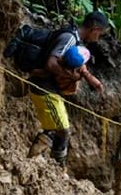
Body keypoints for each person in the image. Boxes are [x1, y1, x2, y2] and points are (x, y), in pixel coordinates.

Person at [25, 11, 108, 164]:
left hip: (49, 88)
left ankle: (41, 164)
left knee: (55, 130)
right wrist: (72, 77)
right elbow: (51, 63)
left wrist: (93, 82)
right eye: (99, 34)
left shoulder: (75, 41)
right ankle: (54, 164)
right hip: (44, 88)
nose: (98, 38)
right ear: (95, 29)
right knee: (62, 129)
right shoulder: (69, 38)